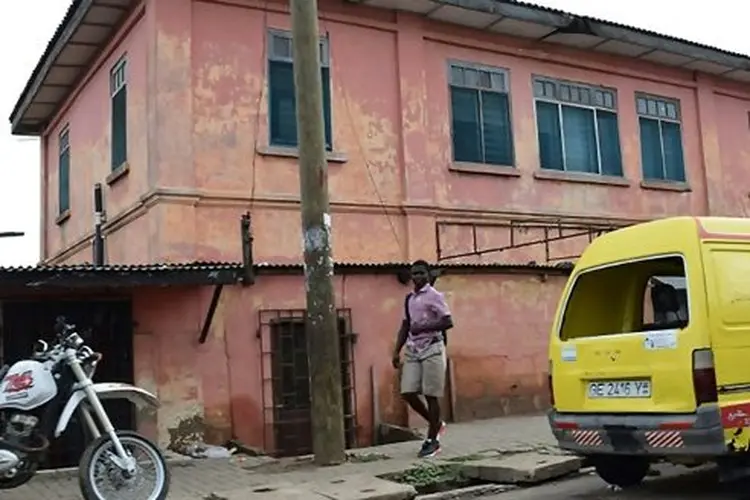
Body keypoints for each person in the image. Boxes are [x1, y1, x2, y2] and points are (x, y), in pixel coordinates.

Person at [392, 260, 454, 458]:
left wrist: (425, 327)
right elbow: (405, 325)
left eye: (421, 273)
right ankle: (436, 423)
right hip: (413, 349)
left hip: (433, 348)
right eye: (414, 273)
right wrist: (396, 350)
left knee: (431, 394)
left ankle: (432, 440)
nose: (417, 277)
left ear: (428, 275)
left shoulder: (435, 296)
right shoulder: (409, 299)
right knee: (408, 392)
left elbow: (447, 321)